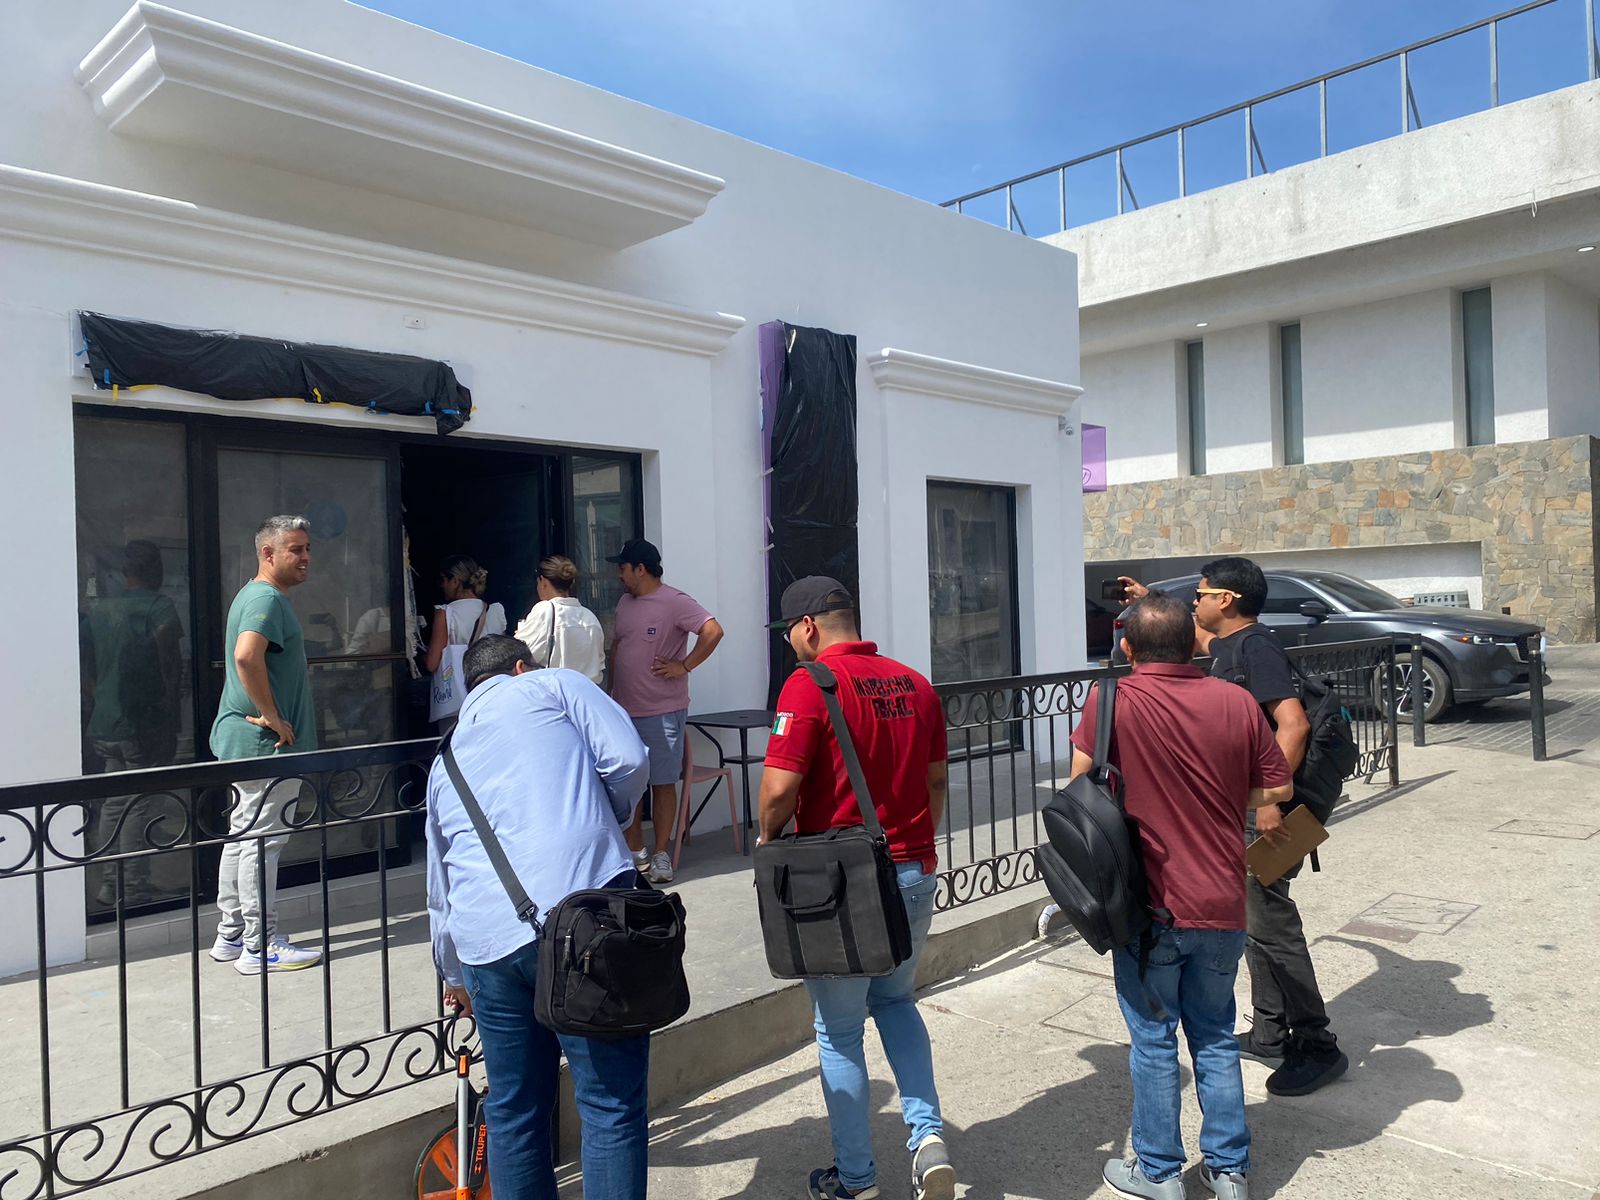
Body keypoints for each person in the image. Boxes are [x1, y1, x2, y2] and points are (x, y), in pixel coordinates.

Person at [1072, 595, 1294, 1200]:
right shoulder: (1236, 701)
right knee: (1215, 1034)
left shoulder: (1110, 699)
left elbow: (1078, 786)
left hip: (1149, 907)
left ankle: (1158, 1171)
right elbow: (1277, 786)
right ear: (1193, 643)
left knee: (1153, 1040)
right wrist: (1221, 794)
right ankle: (1228, 1171)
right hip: (1222, 899)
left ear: (1127, 648)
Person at [426, 634, 651, 1200]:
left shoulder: (443, 759)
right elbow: (628, 759)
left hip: (486, 947)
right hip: (583, 924)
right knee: (609, 1103)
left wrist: (452, 974)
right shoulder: (552, 685)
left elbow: (439, 883)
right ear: (523, 667)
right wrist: (610, 814)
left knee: (515, 1109)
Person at [758, 577, 957, 1200]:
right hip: (913, 871)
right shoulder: (916, 684)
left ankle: (856, 1179)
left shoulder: (809, 685)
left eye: (790, 633)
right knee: (896, 1002)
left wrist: (768, 840)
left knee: (839, 1030)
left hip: (841, 886)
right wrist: (914, 848)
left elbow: (779, 790)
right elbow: (937, 782)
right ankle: (928, 1140)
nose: (790, 645)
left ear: (809, 626)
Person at [1124, 558, 1348, 1097]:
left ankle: (1317, 1043)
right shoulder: (1227, 645)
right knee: (1252, 919)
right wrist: (1150, 601)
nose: (1194, 601)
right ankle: (1270, 1030)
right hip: (1254, 805)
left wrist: (1270, 800)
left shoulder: (1256, 647)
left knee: (1270, 922)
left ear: (1225, 600)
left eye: (1200, 593)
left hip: (1269, 811)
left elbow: (1292, 724)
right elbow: (1186, 634)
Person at [208, 516, 321, 974]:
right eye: (296, 549)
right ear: (267, 554)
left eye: (307, 548)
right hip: (264, 744)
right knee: (262, 843)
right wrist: (272, 715)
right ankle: (260, 945)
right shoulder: (266, 598)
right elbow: (245, 655)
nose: (306, 557)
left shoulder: (256, 595)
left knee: (243, 837)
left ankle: (232, 935)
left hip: (247, 741)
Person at [605, 538, 724, 884]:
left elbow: (713, 631)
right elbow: (618, 646)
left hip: (661, 711)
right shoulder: (625, 603)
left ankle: (660, 854)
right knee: (627, 783)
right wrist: (610, 693)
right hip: (623, 711)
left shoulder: (674, 601)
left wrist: (683, 666)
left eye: (623, 568)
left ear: (640, 569)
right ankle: (635, 851)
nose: (619, 575)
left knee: (661, 782)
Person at [84, 539, 184, 906]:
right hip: (142, 722)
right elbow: (169, 663)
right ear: (156, 570)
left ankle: (111, 884)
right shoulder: (159, 607)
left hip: (105, 721)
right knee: (140, 802)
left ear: (124, 571)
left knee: (115, 802)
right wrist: (169, 707)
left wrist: (100, 696)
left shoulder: (101, 610)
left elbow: (85, 666)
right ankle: (134, 886)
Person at [422, 555, 507, 734]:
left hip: (458, 703)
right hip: (491, 695)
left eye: (443, 580)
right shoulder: (495, 611)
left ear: (455, 580)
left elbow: (431, 664)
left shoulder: (446, 614)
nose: (441, 586)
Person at [514, 554, 606, 684]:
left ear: (543, 582)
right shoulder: (591, 618)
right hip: (587, 691)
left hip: (557, 691)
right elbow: (599, 664)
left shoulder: (545, 609)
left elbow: (520, 654)